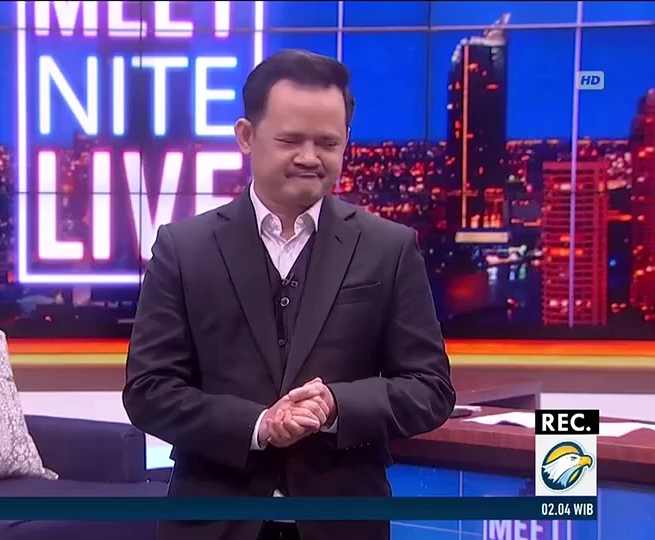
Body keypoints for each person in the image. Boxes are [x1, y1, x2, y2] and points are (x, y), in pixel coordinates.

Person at [122, 49, 456, 540]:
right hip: (214, 525)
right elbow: (148, 391)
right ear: (246, 136)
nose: (310, 157)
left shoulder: (389, 248)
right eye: (290, 140)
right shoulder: (184, 249)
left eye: (328, 142)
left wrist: (336, 405)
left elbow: (430, 388)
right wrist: (258, 425)